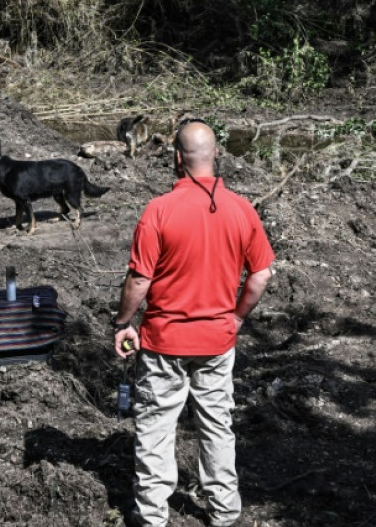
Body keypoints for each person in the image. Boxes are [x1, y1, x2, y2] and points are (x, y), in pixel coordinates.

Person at [111, 119, 274, 527]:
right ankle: (223, 512)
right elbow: (261, 274)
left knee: (156, 428)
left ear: (176, 158)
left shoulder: (159, 210)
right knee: (217, 426)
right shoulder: (242, 209)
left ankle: (152, 516)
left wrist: (123, 322)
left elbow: (140, 279)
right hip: (217, 342)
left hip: (165, 341)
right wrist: (237, 317)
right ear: (216, 154)